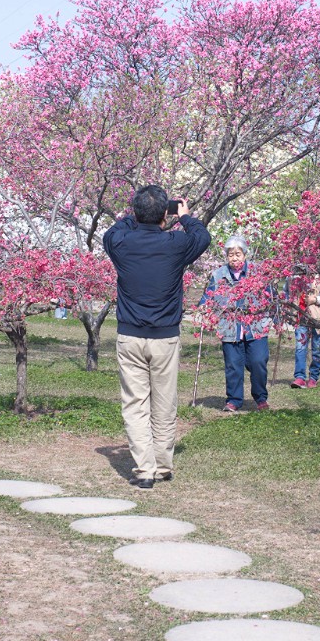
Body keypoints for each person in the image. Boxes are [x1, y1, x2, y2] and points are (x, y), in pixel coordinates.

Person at [102, 184, 211, 490]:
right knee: (164, 403)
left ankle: (144, 470)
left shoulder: (121, 242)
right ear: (166, 213)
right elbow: (202, 237)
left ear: (136, 213)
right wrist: (185, 216)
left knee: (135, 405)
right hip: (165, 337)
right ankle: (162, 466)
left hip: (130, 336)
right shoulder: (176, 243)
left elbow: (112, 232)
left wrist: (134, 215)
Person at [201, 234, 272, 413]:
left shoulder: (257, 272)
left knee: (258, 361)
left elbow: (271, 295)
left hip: (255, 325)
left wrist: (272, 315)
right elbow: (208, 297)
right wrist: (204, 309)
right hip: (230, 326)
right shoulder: (219, 275)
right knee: (233, 364)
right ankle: (234, 399)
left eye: (238, 254)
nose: (234, 258)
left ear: (245, 255)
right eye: (230, 254)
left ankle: (260, 397)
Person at [292, 273, 320, 388]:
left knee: (318, 349)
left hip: (318, 318)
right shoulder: (292, 278)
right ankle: (300, 377)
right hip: (301, 318)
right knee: (300, 348)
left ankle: (313, 377)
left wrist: (315, 299)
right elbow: (287, 293)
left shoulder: (319, 280)